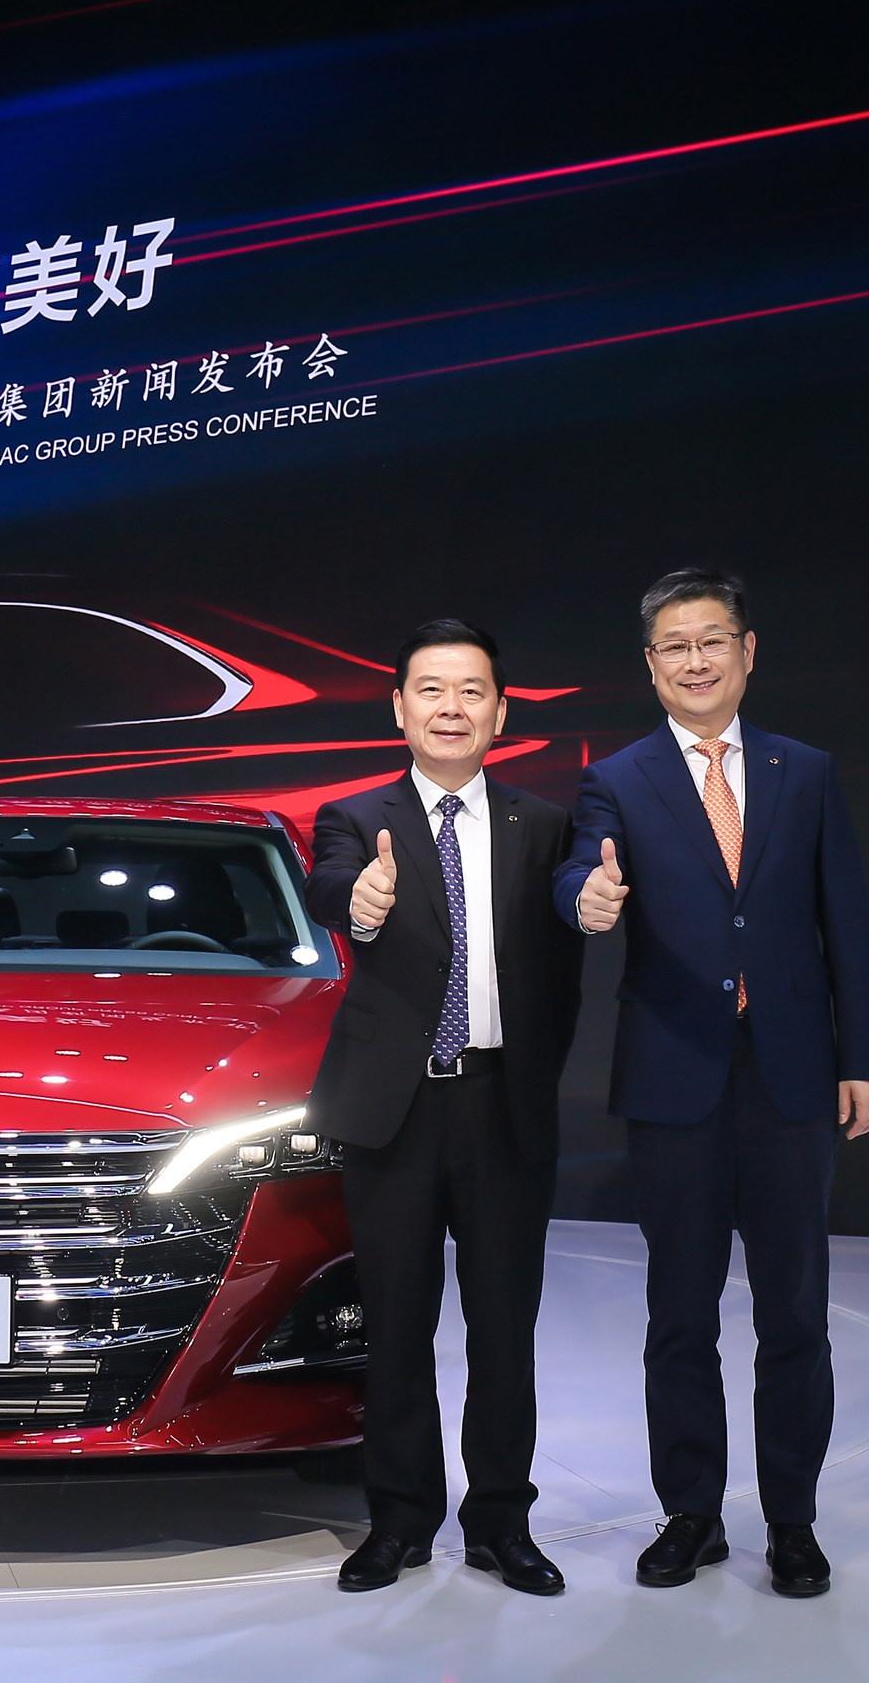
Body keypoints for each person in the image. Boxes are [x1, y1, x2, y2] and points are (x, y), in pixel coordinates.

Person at [557, 568, 869, 1598]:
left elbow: (847, 923)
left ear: (747, 651)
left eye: (712, 641)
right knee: (679, 1314)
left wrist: (864, 1057)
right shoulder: (619, 778)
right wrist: (587, 898)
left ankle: (793, 1521)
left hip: (792, 1078)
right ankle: (691, 1513)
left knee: (795, 1313)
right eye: (674, 645)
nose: (694, 661)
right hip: (675, 1077)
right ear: (649, 665)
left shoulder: (805, 770)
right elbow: (579, 870)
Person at [305, 620, 583, 1596]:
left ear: (500, 713)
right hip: (397, 1109)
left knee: (506, 1329)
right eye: (432, 690)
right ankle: (399, 1520)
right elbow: (332, 890)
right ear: (399, 708)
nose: (452, 708)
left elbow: (566, 942)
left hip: (505, 1102)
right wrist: (362, 900)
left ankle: (502, 1522)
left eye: (472, 691)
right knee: (396, 1325)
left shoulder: (544, 826)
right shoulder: (353, 816)